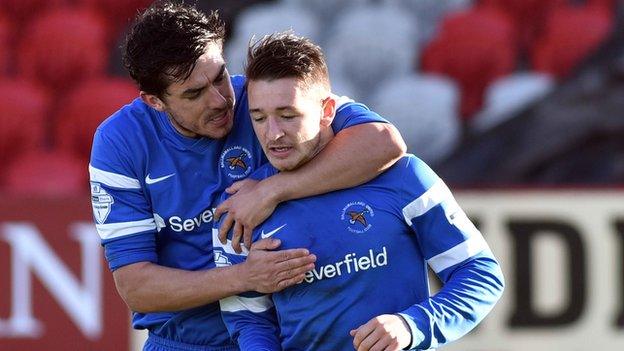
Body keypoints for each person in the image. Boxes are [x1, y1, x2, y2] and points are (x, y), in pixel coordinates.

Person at [88, 1, 406, 350]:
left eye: (220, 76)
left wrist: (274, 189)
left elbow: (384, 143)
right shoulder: (120, 142)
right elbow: (136, 287)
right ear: (155, 101)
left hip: (291, 338)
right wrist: (245, 277)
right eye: (194, 93)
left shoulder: (262, 101)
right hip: (184, 343)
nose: (221, 100)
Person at [215, 32, 505, 351]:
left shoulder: (403, 176)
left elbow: (480, 274)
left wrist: (414, 325)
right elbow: (248, 320)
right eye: (259, 118)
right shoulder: (241, 209)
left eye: (288, 116)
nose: (273, 133)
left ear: (327, 110)